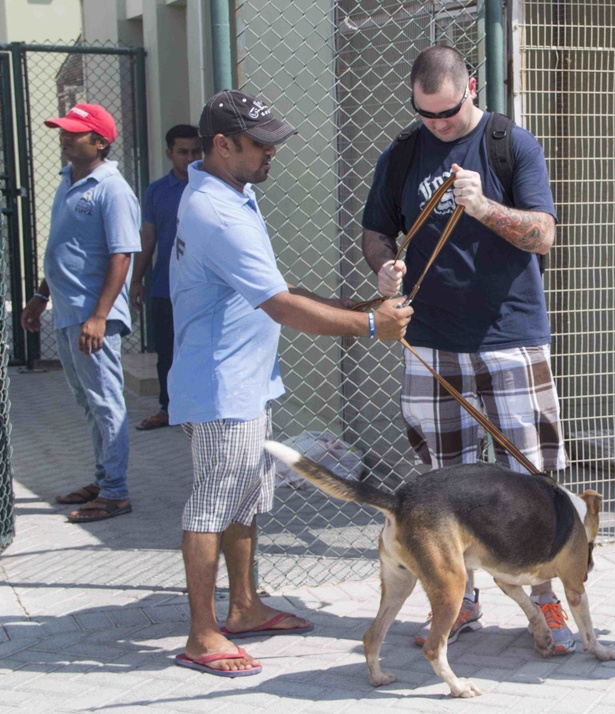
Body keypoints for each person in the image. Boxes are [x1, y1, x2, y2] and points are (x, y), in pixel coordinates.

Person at [169, 89, 413, 677]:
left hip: (243, 382)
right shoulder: (218, 212)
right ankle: (203, 634)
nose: (272, 154)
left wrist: (356, 307)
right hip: (222, 386)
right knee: (211, 504)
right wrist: (371, 324)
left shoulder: (233, 192)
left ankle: (245, 606)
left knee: (243, 497)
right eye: (261, 145)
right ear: (222, 145)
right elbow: (281, 306)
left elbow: (275, 290)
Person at [361, 45, 574, 653]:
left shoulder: (511, 144)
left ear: (471, 89)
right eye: (426, 114)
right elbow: (377, 230)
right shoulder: (402, 154)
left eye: (448, 113)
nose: (438, 125)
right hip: (432, 342)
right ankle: (460, 599)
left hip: (510, 338)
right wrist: (385, 267)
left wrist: (482, 207)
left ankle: (548, 601)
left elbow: (544, 234)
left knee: (532, 477)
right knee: (443, 481)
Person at [21, 103, 140, 523]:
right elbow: (63, 248)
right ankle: (104, 477)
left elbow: (122, 255)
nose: (65, 137)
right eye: (63, 130)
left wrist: (100, 316)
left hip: (93, 319)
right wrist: (40, 296)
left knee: (106, 403)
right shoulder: (67, 181)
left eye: (75, 132)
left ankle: (115, 493)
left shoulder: (112, 189)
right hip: (69, 312)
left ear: (100, 141)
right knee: (89, 402)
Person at [128, 124, 202, 431]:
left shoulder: (208, 188)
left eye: (195, 151)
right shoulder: (156, 191)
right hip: (164, 287)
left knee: (199, 349)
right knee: (167, 352)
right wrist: (136, 280)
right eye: (182, 152)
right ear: (170, 153)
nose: (189, 158)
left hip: (200, 288)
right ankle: (168, 408)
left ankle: (200, 411)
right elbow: (148, 238)